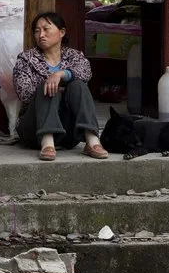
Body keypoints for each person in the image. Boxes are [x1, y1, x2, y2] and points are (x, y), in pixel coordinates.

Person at [13, 12, 108, 161]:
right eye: (37, 31)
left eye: (46, 29)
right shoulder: (26, 59)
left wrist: (61, 74)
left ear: (62, 32)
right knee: (48, 86)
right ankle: (47, 141)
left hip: (67, 132)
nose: (41, 34)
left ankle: (92, 141)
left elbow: (85, 73)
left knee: (78, 85)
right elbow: (24, 94)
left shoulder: (74, 56)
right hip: (34, 130)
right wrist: (51, 86)